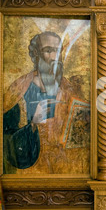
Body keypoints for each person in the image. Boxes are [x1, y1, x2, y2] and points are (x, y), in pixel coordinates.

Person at [3, 31, 90, 174]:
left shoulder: (70, 89)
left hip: (66, 169)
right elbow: (6, 140)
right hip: (33, 170)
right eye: (48, 50)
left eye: (58, 50)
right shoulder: (18, 89)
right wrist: (32, 124)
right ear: (36, 54)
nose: (55, 57)